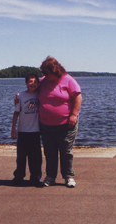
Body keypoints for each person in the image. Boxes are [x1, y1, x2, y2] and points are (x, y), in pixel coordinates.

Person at [38, 56, 82, 188]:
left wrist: (74, 115)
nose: (44, 75)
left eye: (47, 73)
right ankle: (50, 177)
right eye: (43, 73)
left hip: (66, 124)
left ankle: (68, 176)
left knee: (66, 151)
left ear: (54, 71)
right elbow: (32, 93)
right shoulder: (43, 81)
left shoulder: (68, 80)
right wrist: (20, 98)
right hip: (46, 125)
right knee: (49, 151)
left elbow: (78, 97)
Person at [11, 73, 42, 186]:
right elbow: (16, 113)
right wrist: (13, 129)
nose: (32, 83)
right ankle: (19, 177)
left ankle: (35, 178)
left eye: (35, 81)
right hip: (23, 131)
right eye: (30, 81)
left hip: (35, 131)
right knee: (21, 157)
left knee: (36, 158)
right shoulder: (20, 96)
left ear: (38, 83)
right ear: (26, 83)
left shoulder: (40, 95)